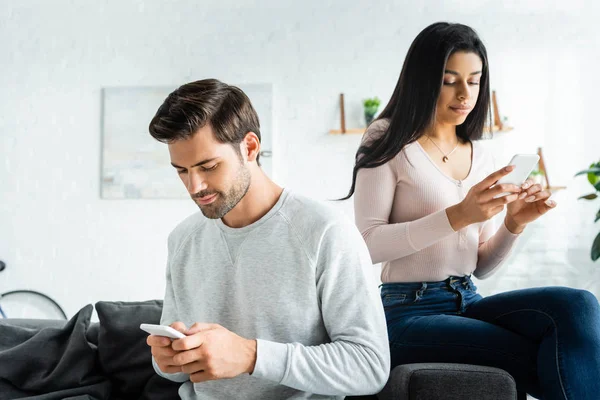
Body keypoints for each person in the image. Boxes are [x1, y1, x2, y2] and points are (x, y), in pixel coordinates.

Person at [346, 22, 600, 399]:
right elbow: (366, 244)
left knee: (578, 305)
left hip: (468, 298)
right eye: (450, 80)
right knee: (546, 354)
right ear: (422, 80)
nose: (465, 93)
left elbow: (480, 265)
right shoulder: (386, 138)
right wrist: (457, 216)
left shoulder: (482, 155)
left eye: (475, 80)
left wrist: (513, 224)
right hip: (406, 313)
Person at [145, 79, 390, 400]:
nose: (195, 186)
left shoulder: (326, 232)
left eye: (208, 166)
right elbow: (172, 370)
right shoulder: (183, 239)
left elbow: (369, 366)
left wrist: (250, 355)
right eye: (181, 170)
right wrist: (167, 359)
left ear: (249, 147)